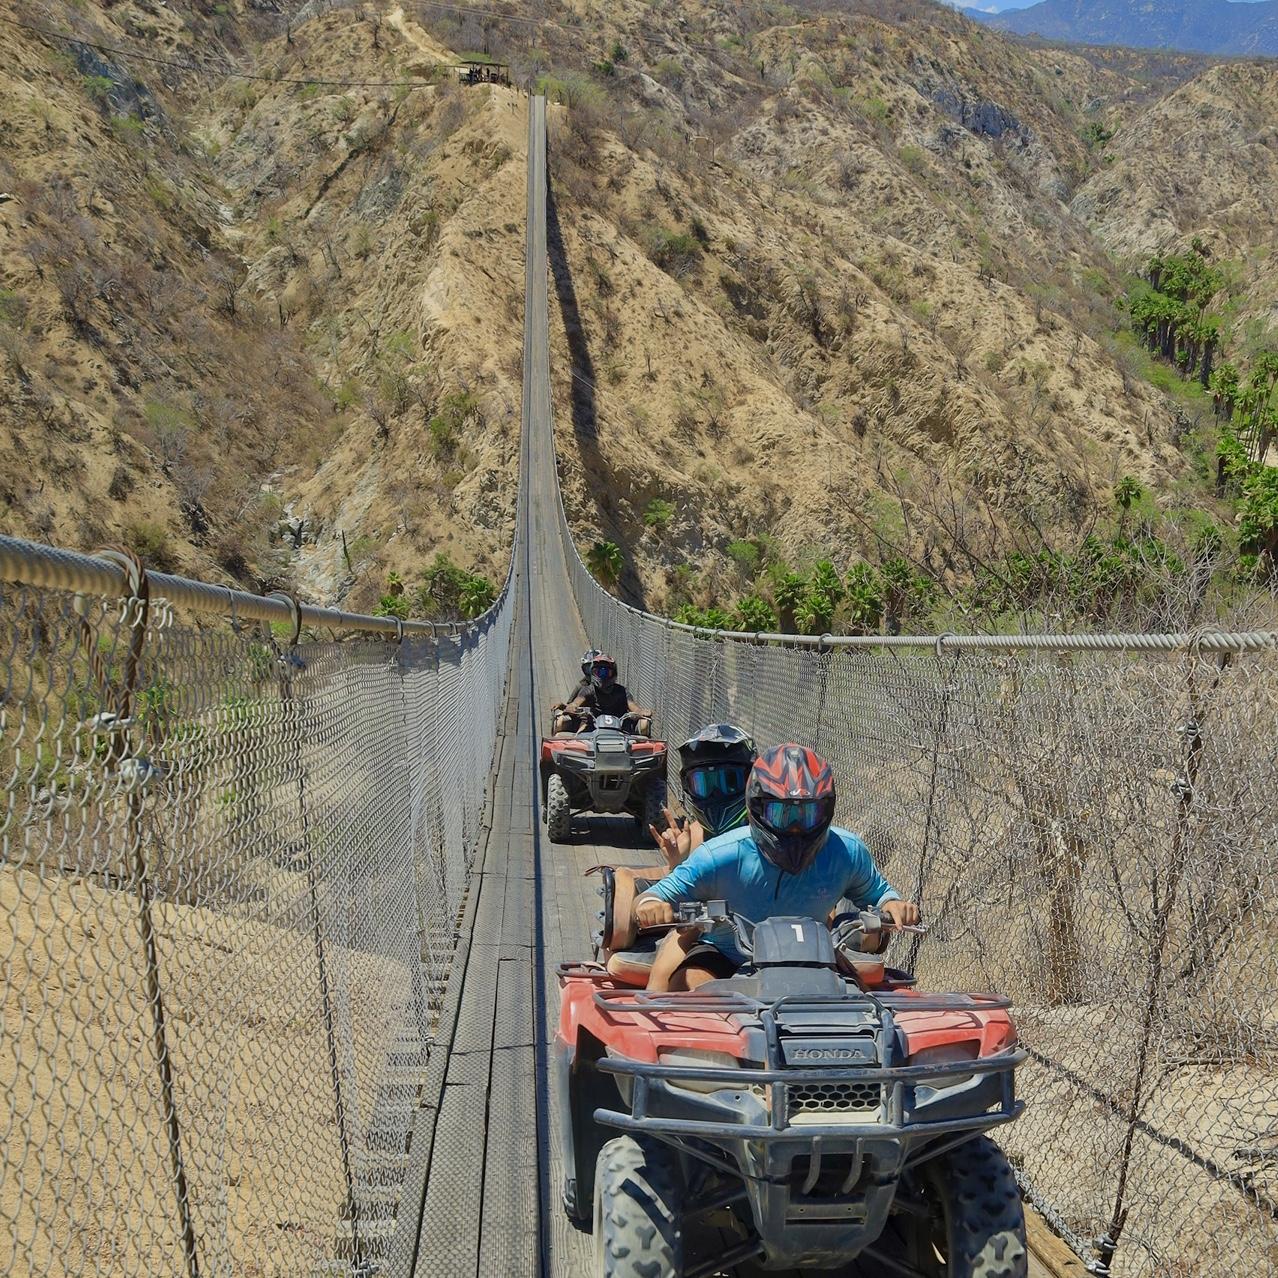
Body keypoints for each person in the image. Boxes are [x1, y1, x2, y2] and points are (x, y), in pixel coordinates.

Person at [634, 744, 919, 992]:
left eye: (808, 814)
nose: (795, 828)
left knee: (862, 1007)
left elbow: (879, 894)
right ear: (756, 809)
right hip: (727, 953)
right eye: (782, 813)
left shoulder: (847, 852)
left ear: (827, 810)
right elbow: (656, 896)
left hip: (811, 956)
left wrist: (893, 904)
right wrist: (650, 905)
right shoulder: (719, 856)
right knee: (690, 988)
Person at [558, 652, 653, 735]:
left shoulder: (622, 691)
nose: (602, 676)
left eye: (606, 672)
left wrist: (640, 712)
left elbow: (633, 706)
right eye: (598, 672)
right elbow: (577, 702)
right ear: (593, 673)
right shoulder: (588, 690)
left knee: (644, 724)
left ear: (614, 673)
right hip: (592, 728)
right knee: (561, 722)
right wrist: (572, 706)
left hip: (620, 729)